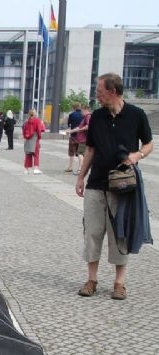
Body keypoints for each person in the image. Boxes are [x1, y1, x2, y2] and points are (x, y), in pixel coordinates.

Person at [75, 73, 153, 301]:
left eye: (100, 91)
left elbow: (149, 144)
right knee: (92, 232)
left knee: (119, 233)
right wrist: (81, 178)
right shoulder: (97, 117)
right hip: (96, 183)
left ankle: (119, 283)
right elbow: (90, 150)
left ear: (114, 91)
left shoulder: (136, 115)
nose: (97, 95)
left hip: (122, 185)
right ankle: (92, 279)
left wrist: (137, 155)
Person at [67, 104, 91, 174]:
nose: (81, 113)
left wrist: (80, 129)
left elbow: (88, 126)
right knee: (80, 153)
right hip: (81, 139)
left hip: (84, 139)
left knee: (80, 153)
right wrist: (70, 131)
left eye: (82, 111)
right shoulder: (85, 117)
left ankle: (80, 169)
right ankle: (81, 169)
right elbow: (78, 127)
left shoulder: (88, 116)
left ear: (85, 110)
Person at [22, 108, 43, 174]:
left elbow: (23, 129)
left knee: (28, 154)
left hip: (28, 139)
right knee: (36, 154)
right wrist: (39, 137)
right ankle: (36, 169)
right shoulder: (37, 120)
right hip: (35, 138)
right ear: (34, 113)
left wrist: (25, 136)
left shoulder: (26, 121)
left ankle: (26, 169)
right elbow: (39, 130)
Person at [65, 102, 84, 173]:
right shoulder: (83, 115)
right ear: (80, 107)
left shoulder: (71, 114)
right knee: (80, 153)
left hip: (73, 135)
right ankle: (80, 168)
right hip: (81, 137)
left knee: (71, 152)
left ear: (74, 108)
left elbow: (69, 124)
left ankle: (70, 167)